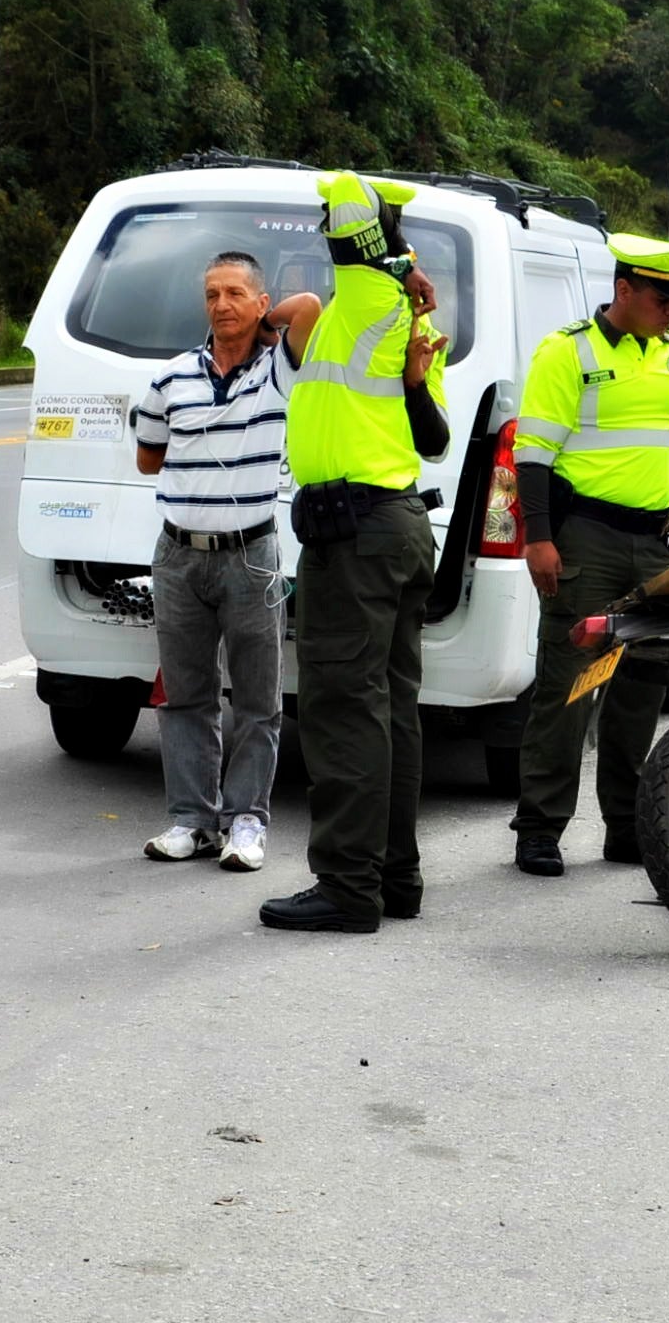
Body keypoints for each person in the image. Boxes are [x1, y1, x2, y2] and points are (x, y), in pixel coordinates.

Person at [257, 172, 448, 935]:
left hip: (361, 537)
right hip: (393, 527)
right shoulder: (372, 316)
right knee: (392, 711)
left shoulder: (373, 298)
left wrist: (391, 243)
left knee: (343, 712)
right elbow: (428, 437)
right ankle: (393, 878)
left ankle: (347, 885)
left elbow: (345, 203)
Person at [508, 233, 669, 878]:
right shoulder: (566, 352)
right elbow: (533, 456)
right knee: (571, 687)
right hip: (586, 542)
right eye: (664, 300)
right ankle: (540, 829)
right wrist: (539, 539)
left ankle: (625, 827)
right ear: (624, 291)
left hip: (654, 545)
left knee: (640, 688)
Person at [132, 253, 323, 872]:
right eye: (212, 294)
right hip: (179, 556)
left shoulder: (280, 370)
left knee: (259, 698)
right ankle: (190, 819)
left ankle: (246, 820)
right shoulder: (170, 380)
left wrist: (267, 328)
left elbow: (311, 309)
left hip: (253, 554)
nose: (221, 305)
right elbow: (149, 459)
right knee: (186, 695)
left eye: (236, 293)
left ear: (261, 302)